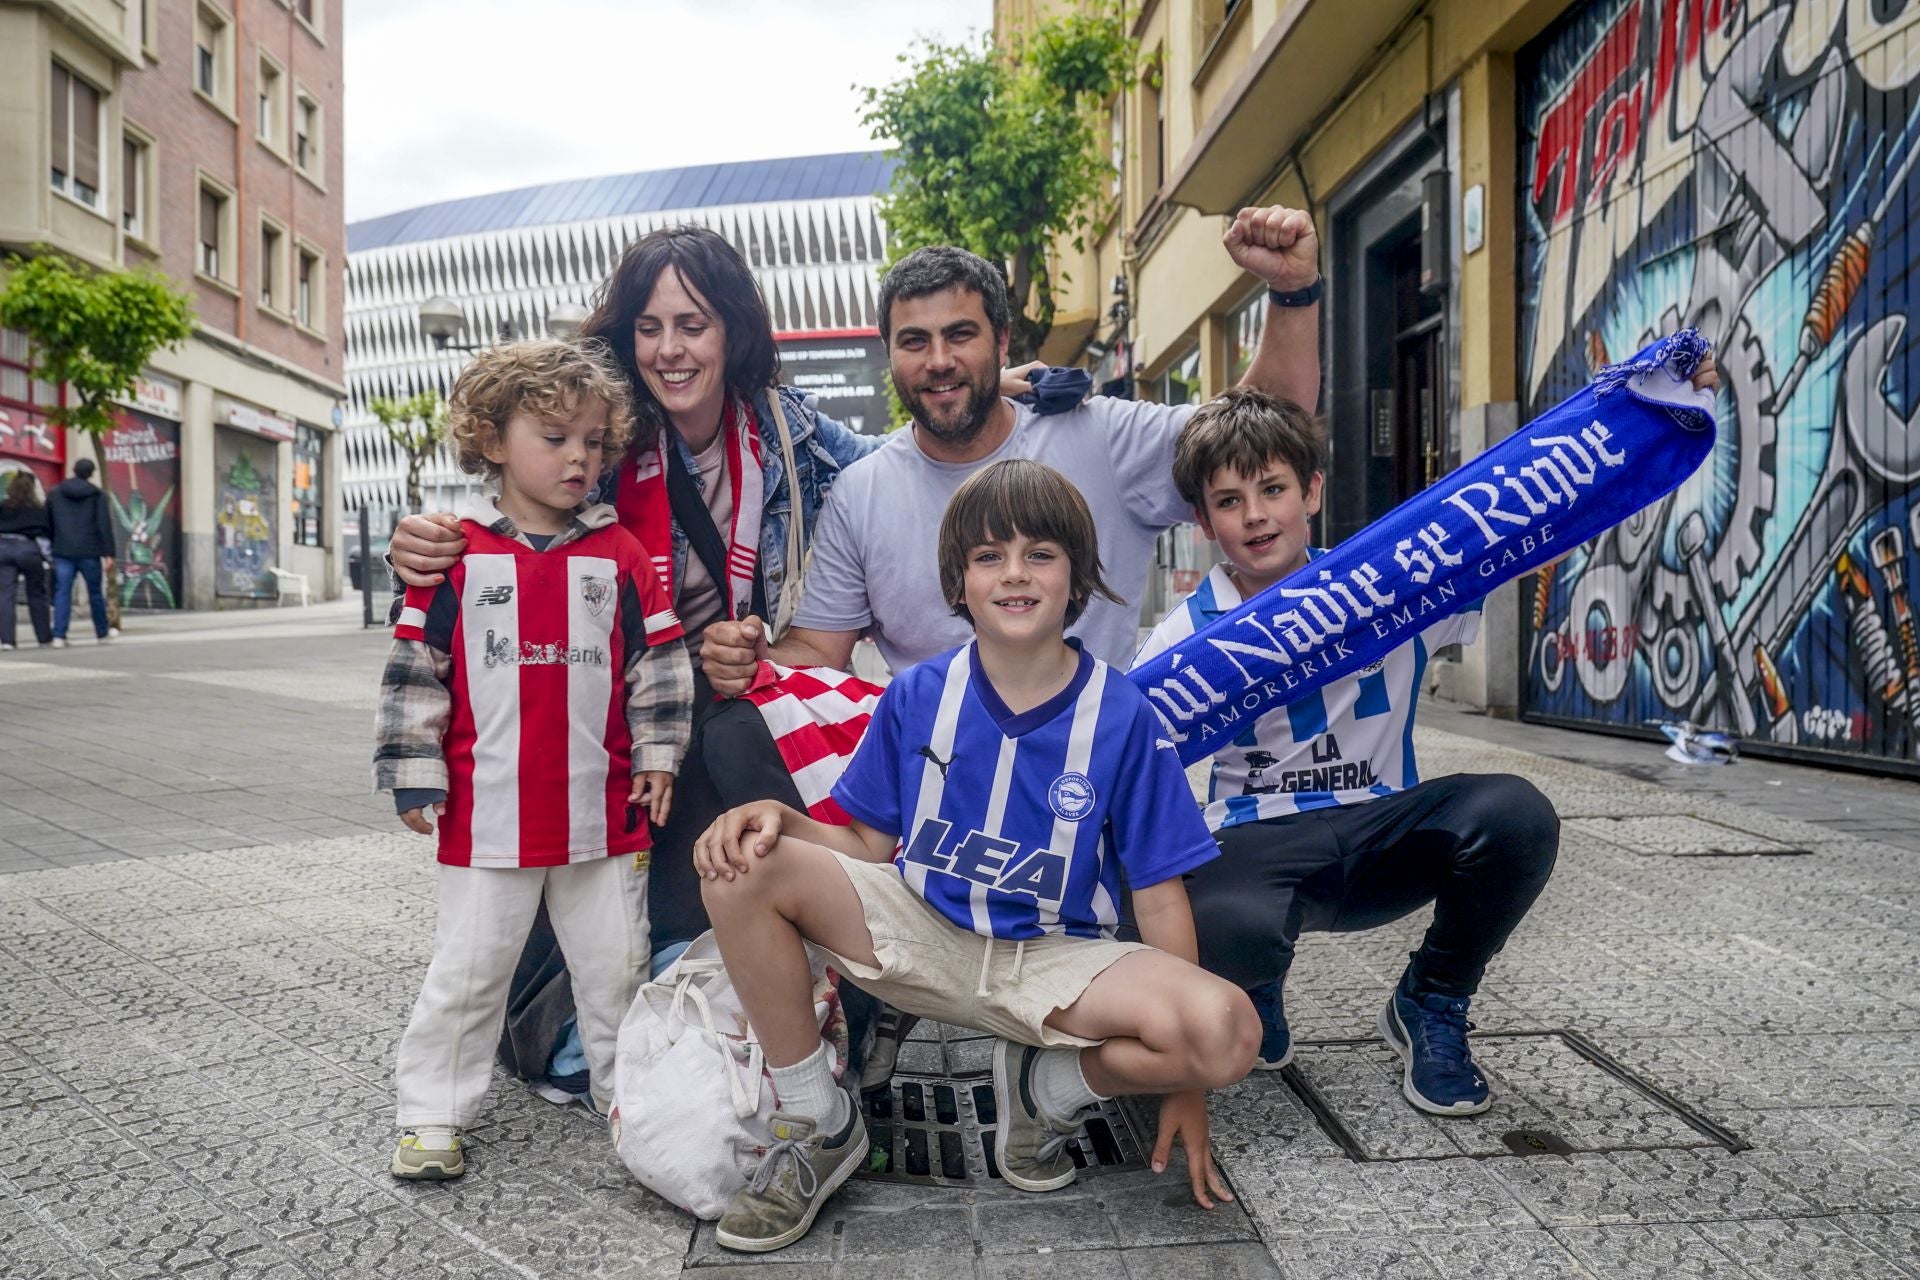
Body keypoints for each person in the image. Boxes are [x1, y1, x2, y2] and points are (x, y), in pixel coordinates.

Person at [692, 459, 1258, 1253]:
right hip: (920, 933)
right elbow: (865, 848)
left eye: (1040, 554)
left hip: (1052, 960)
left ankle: (1045, 1088)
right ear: (958, 580)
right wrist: (781, 820)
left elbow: (1160, 896)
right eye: (990, 556)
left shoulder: (1123, 714)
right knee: (742, 861)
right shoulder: (918, 695)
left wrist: (1185, 1082)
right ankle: (816, 1121)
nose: (1015, 573)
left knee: (1226, 1030)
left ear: (1077, 575)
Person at [1133, 378, 1713, 1117]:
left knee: (1515, 814)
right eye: (1228, 500)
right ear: (1202, 520)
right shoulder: (1182, 637)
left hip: (1381, 833)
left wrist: (1657, 405)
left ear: (1312, 492)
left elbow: (1542, 516)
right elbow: (1124, 760)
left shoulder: (1391, 581)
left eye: (1272, 489)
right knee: (1212, 918)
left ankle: (1431, 1000)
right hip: (1257, 843)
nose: (1255, 515)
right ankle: (1253, 987)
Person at [698, 205, 1324, 693]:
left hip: (1102, 780)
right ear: (888, 354)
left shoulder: (1101, 436)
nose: (938, 361)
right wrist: (751, 659)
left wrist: (1293, 291)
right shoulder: (861, 493)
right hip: (946, 793)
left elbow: (1265, 433)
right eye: (914, 341)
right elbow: (818, 654)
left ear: (1001, 343)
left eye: (960, 335)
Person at [372, 340, 694, 1180]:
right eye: (555, 438)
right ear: (491, 439)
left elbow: (658, 668)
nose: (579, 458)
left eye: (593, 441)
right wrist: (412, 769)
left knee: (616, 972)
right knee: (470, 974)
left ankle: (629, 1104)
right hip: (487, 819)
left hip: (606, 818)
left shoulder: (621, 556)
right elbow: (416, 671)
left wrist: (660, 754)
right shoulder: (455, 556)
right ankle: (431, 1113)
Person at [46, 458, 114, 647]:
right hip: (89, 551)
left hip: (63, 550)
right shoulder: (98, 495)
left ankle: (59, 635)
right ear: (91, 473)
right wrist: (108, 553)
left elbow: (48, 522)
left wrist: (53, 544)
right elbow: (103, 525)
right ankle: (101, 633)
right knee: (95, 593)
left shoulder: (55, 493)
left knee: (62, 592)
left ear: (73, 470)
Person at [0, 471, 53, 650]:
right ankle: (43, 637)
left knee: (5, 595)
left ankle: (7, 640)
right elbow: (44, 537)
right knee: (37, 594)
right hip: (28, 549)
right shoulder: (38, 509)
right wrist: (50, 558)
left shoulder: (3, 506)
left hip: (4, 549)